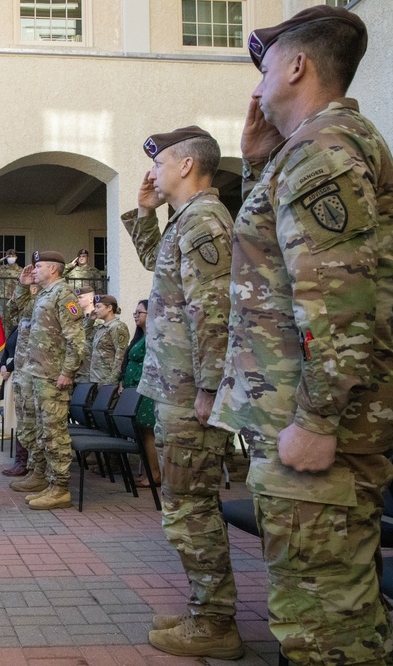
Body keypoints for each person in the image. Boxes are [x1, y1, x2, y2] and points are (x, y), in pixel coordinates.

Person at [209, 8, 393, 664]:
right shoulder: (310, 150)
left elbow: (342, 296)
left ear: (297, 66)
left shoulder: (323, 152)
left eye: (265, 68)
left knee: (324, 627)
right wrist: (259, 161)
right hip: (305, 409)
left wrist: (318, 415)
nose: (258, 87)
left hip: (318, 419)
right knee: (339, 611)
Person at [121, 125, 239, 658]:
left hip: (191, 389)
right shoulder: (186, 221)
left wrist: (211, 388)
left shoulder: (204, 223)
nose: (153, 172)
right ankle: (205, 608)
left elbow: (213, 311)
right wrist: (146, 213)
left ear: (188, 165)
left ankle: (214, 621)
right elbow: (157, 269)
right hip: (180, 385)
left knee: (190, 505)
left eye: (161, 162)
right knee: (184, 503)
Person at [9, 250, 84, 511]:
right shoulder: (44, 294)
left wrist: (67, 372)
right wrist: (23, 285)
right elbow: (19, 312)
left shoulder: (64, 294)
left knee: (54, 434)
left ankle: (60, 488)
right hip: (37, 372)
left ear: (53, 269)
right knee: (42, 431)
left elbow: (76, 339)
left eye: (38, 266)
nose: (34, 269)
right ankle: (42, 477)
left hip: (53, 375)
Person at [118, 300, 159, 489]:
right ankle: (150, 472)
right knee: (141, 433)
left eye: (139, 312)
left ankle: (155, 474)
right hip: (134, 388)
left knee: (148, 432)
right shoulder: (139, 337)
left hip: (145, 390)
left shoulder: (152, 337)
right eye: (134, 313)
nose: (135, 315)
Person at [1, 280, 39, 477]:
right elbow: (9, 347)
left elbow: (29, 351)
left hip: (27, 373)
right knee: (20, 419)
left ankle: (25, 463)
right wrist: (2, 364)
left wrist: (10, 366)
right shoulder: (20, 324)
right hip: (16, 375)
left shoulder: (37, 320)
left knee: (25, 419)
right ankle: (21, 461)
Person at [88, 295, 129, 385]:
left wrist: (112, 381)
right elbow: (84, 335)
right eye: (95, 307)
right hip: (95, 379)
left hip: (107, 380)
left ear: (109, 307)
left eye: (98, 307)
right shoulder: (101, 327)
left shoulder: (118, 327)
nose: (95, 310)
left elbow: (120, 356)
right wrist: (90, 321)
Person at [72, 284, 99, 384]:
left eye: (80, 297)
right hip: (76, 370)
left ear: (91, 299)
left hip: (90, 371)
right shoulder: (76, 320)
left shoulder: (98, 320)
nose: (77, 300)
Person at [0, 249, 22, 333]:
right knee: (3, 320)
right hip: (3, 298)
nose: (11, 258)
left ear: (16, 257)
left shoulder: (21, 270)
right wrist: (3, 258)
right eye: (9, 256)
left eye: (13, 256)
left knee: (15, 320)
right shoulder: (1, 269)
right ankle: (4, 342)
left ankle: (13, 340)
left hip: (16, 298)